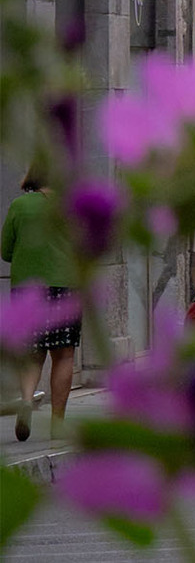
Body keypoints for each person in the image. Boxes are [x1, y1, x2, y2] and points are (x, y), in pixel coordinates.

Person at [3, 171, 80, 440]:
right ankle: (57, 424)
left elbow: (5, 251)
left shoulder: (18, 205)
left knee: (31, 353)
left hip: (26, 290)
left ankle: (26, 400)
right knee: (64, 356)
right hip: (64, 286)